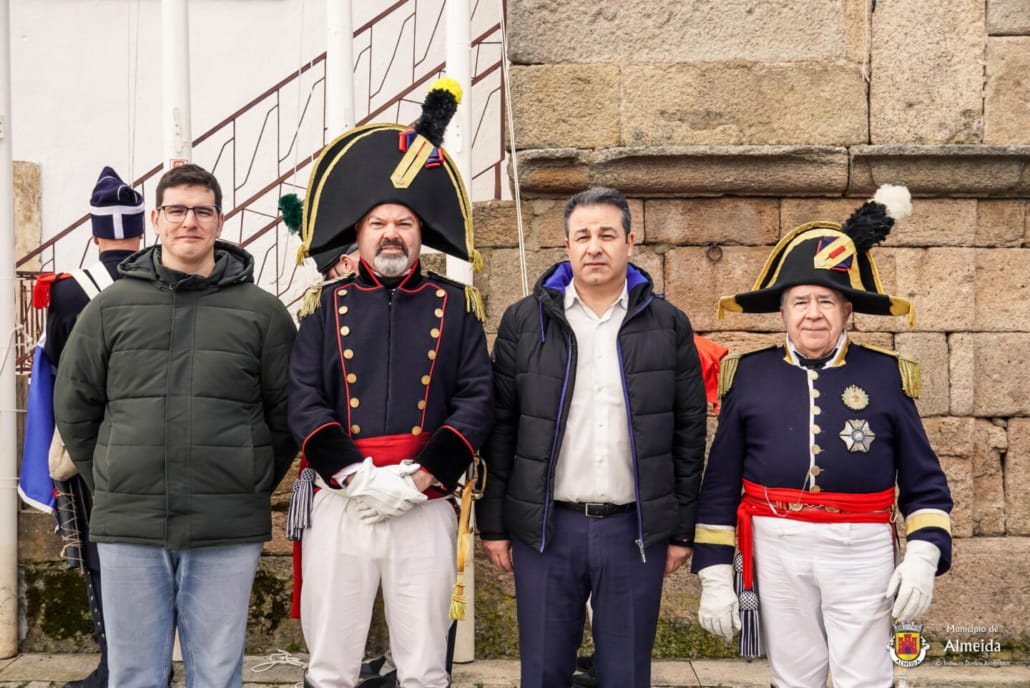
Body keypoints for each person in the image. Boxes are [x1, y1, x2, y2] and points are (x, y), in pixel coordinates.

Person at [692, 185, 954, 688]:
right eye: (801, 302)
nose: (813, 313)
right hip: (775, 545)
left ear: (848, 311)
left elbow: (925, 484)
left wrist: (923, 556)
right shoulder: (747, 375)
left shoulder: (887, 376)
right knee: (793, 677)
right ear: (783, 311)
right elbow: (720, 486)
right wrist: (714, 575)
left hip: (861, 549)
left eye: (826, 301)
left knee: (866, 677)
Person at [53, 163, 298, 688]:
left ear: (219, 220)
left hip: (225, 523)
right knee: (136, 672)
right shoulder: (110, 308)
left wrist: (251, 479)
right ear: (158, 219)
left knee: (216, 671)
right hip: (129, 522)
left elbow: (286, 415)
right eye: (178, 210)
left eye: (202, 210)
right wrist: (113, 477)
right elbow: (75, 406)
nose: (190, 221)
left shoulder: (264, 313)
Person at [286, 77, 493, 688]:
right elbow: (303, 397)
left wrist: (422, 476)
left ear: (422, 233)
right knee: (330, 663)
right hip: (342, 498)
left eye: (404, 220)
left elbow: (477, 398)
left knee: (426, 664)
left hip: (423, 502)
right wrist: (354, 475)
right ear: (358, 234)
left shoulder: (457, 306)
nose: (391, 233)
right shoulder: (323, 305)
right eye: (378, 221)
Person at [478, 186, 709, 688]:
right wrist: (493, 523)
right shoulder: (524, 321)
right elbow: (501, 430)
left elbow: (690, 433)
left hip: (634, 530)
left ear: (630, 242)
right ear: (566, 246)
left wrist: (680, 528)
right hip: (547, 529)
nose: (594, 247)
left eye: (607, 234)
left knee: (626, 674)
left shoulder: (667, 325)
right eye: (582, 236)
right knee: (542, 671)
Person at [22, 166, 144, 688]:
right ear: (143, 231)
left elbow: (52, 366)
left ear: (95, 235)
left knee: (100, 557)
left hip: (91, 444)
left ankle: (116, 667)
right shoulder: (158, 280)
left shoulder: (70, 293)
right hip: (152, 438)